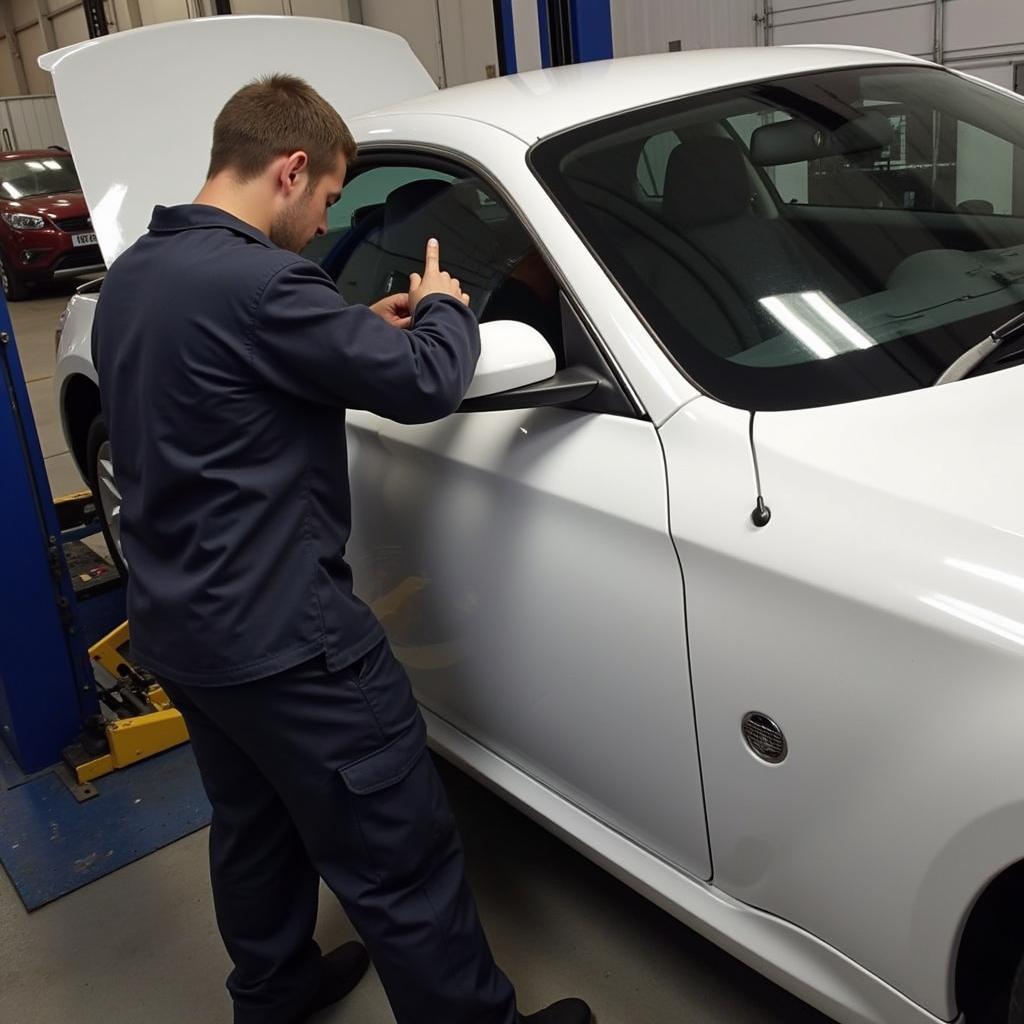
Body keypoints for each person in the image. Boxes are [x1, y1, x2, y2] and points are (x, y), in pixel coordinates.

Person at [91, 74, 592, 1024]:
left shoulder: (140, 274)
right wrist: (442, 305)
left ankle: (274, 997)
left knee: (253, 828)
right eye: (326, 198)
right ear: (289, 170)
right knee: (396, 850)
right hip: (287, 640)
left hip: (179, 626)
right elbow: (426, 383)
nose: (326, 224)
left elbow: (221, 372)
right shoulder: (267, 282)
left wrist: (350, 327)